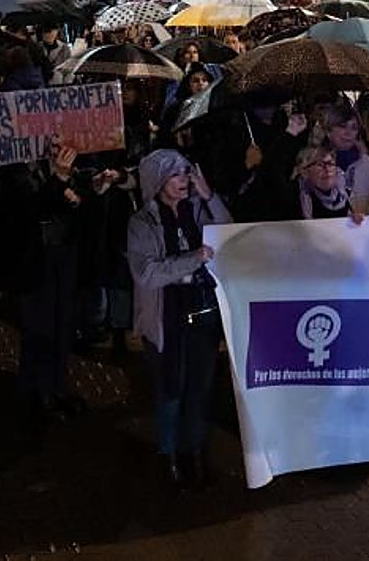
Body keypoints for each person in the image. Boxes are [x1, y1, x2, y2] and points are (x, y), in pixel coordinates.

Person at [126, 149, 231, 487]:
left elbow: (227, 233)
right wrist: (193, 259)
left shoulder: (196, 209)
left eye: (186, 173)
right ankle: (168, 454)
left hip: (200, 313)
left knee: (200, 387)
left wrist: (208, 196)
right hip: (164, 317)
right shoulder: (143, 222)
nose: (184, 180)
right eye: (176, 175)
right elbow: (147, 273)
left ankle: (195, 452)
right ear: (157, 181)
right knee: (171, 387)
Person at [317, 101, 369, 215]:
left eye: (354, 128)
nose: (348, 133)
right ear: (328, 130)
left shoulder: (366, 162)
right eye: (342, 126)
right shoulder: (314, 163)